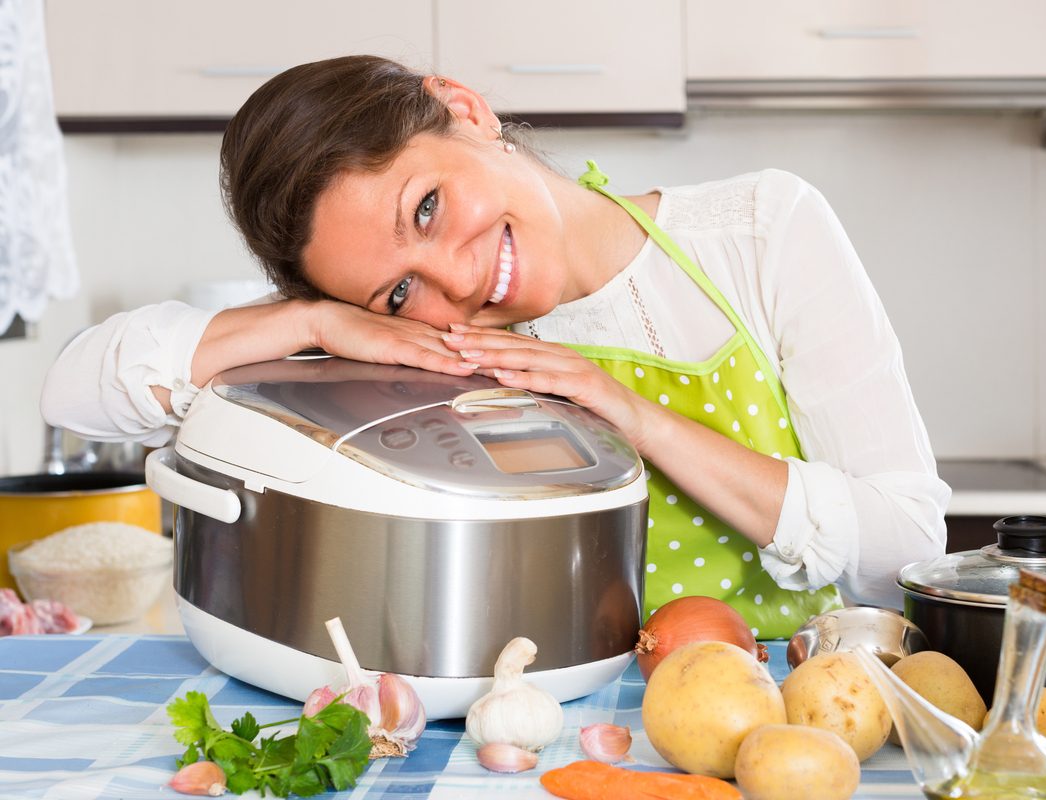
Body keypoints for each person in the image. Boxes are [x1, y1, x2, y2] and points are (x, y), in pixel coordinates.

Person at [41, 56, 950, 638]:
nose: (458, 279)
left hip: (772, 719)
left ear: (466, 109)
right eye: (398, 290)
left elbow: (903, 548)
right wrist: (313, 324)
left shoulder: (759, 231)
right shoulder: (415, 345)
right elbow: (75, 390)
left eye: (427, 208)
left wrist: (636, 419)